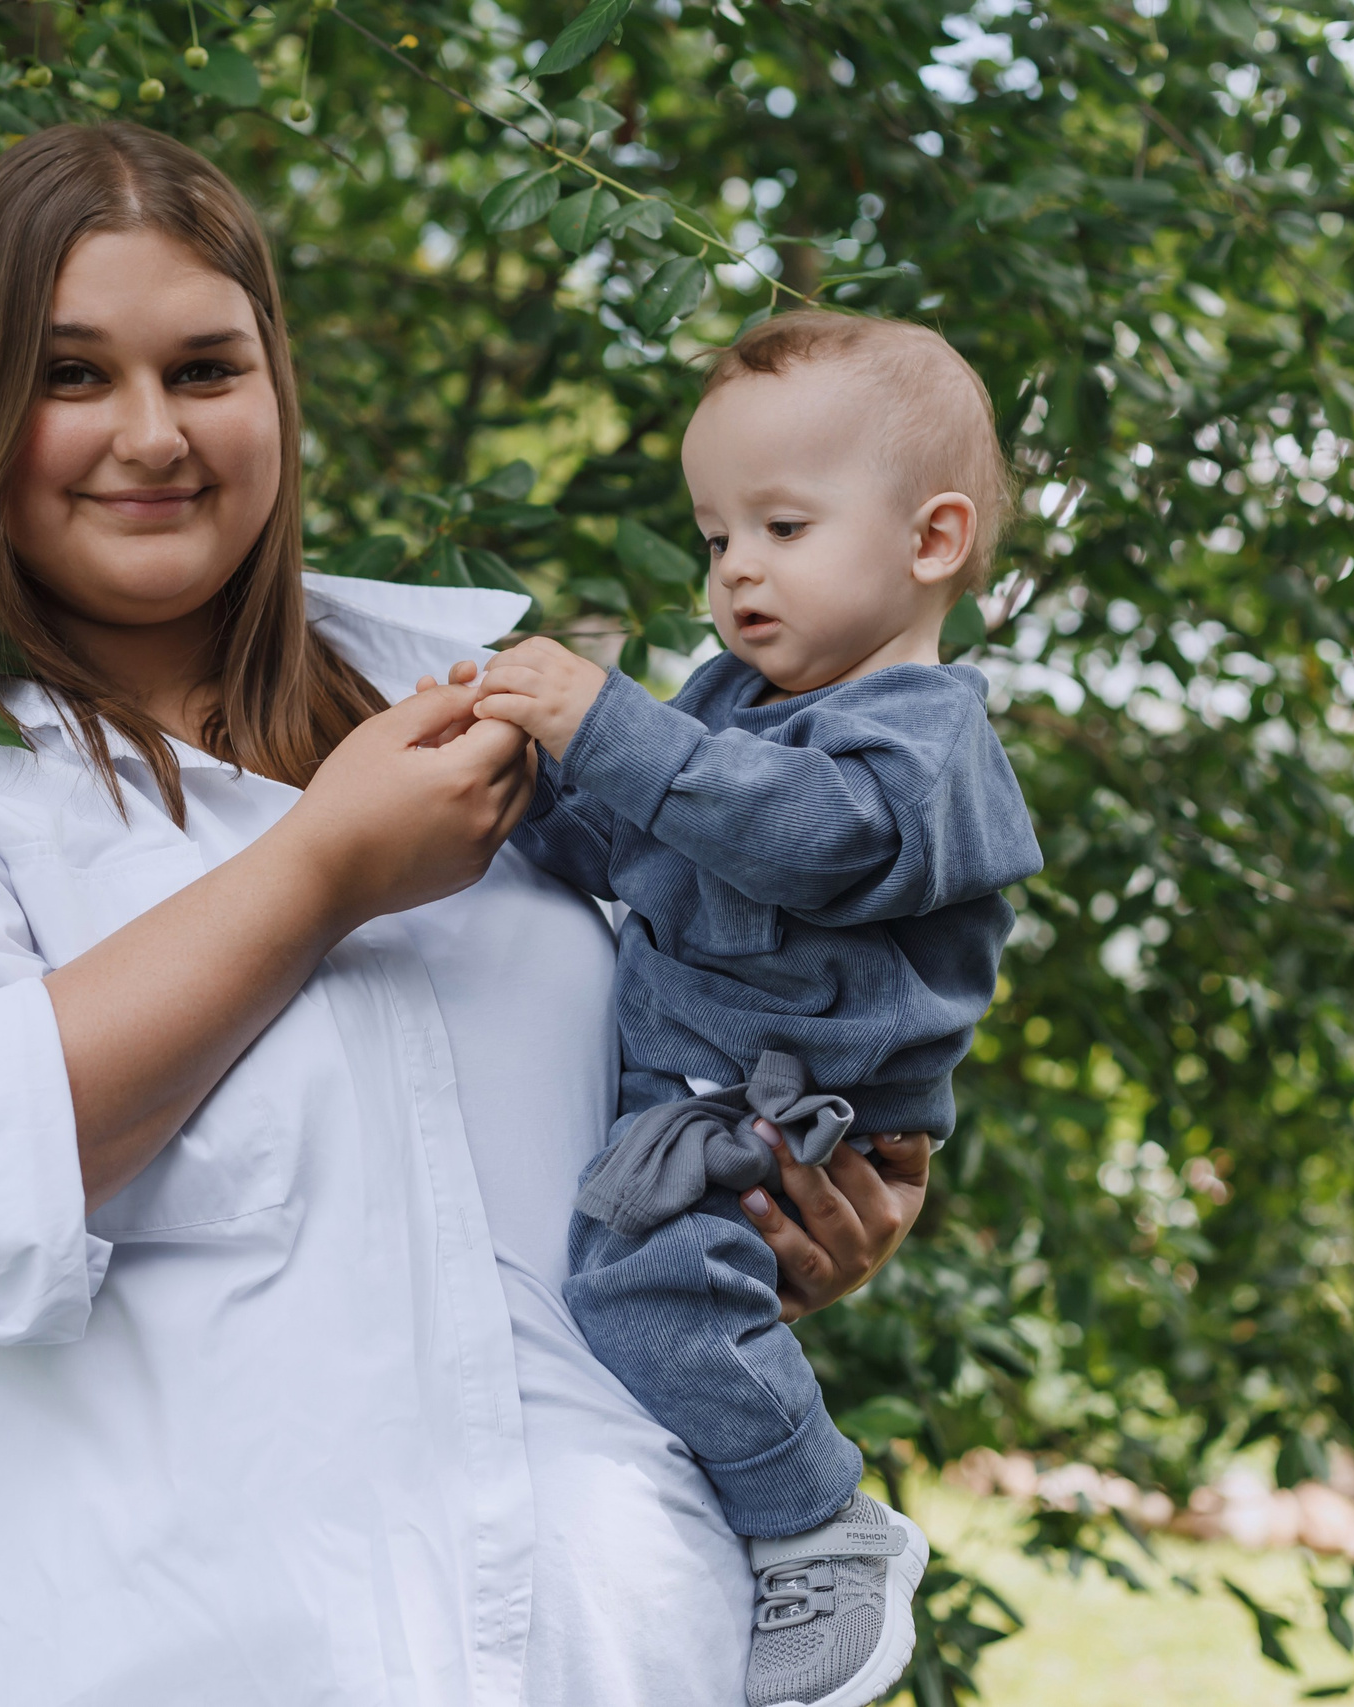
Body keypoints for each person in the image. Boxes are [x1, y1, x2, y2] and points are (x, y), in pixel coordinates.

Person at [0, 126, 931, 1707]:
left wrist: (774, 1214)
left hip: (615, 1653)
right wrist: (318, 879)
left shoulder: (481, 709)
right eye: (72, 375)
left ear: (278, 395)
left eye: (208, 368)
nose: (152, 434)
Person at [448, 312, 1042, 1707]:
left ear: (933, 540)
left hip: (793, 1103)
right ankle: (781, 1512)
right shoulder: (734, 702)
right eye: (717, 539)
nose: (736, 572)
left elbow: (808, 840)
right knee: (639, 1296)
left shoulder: (922, 736)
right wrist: (512, 784)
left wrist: (608, 726)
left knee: (646, 1292)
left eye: (781, 525)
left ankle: (817, 1524)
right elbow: (637, 848)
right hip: (709, 1089)